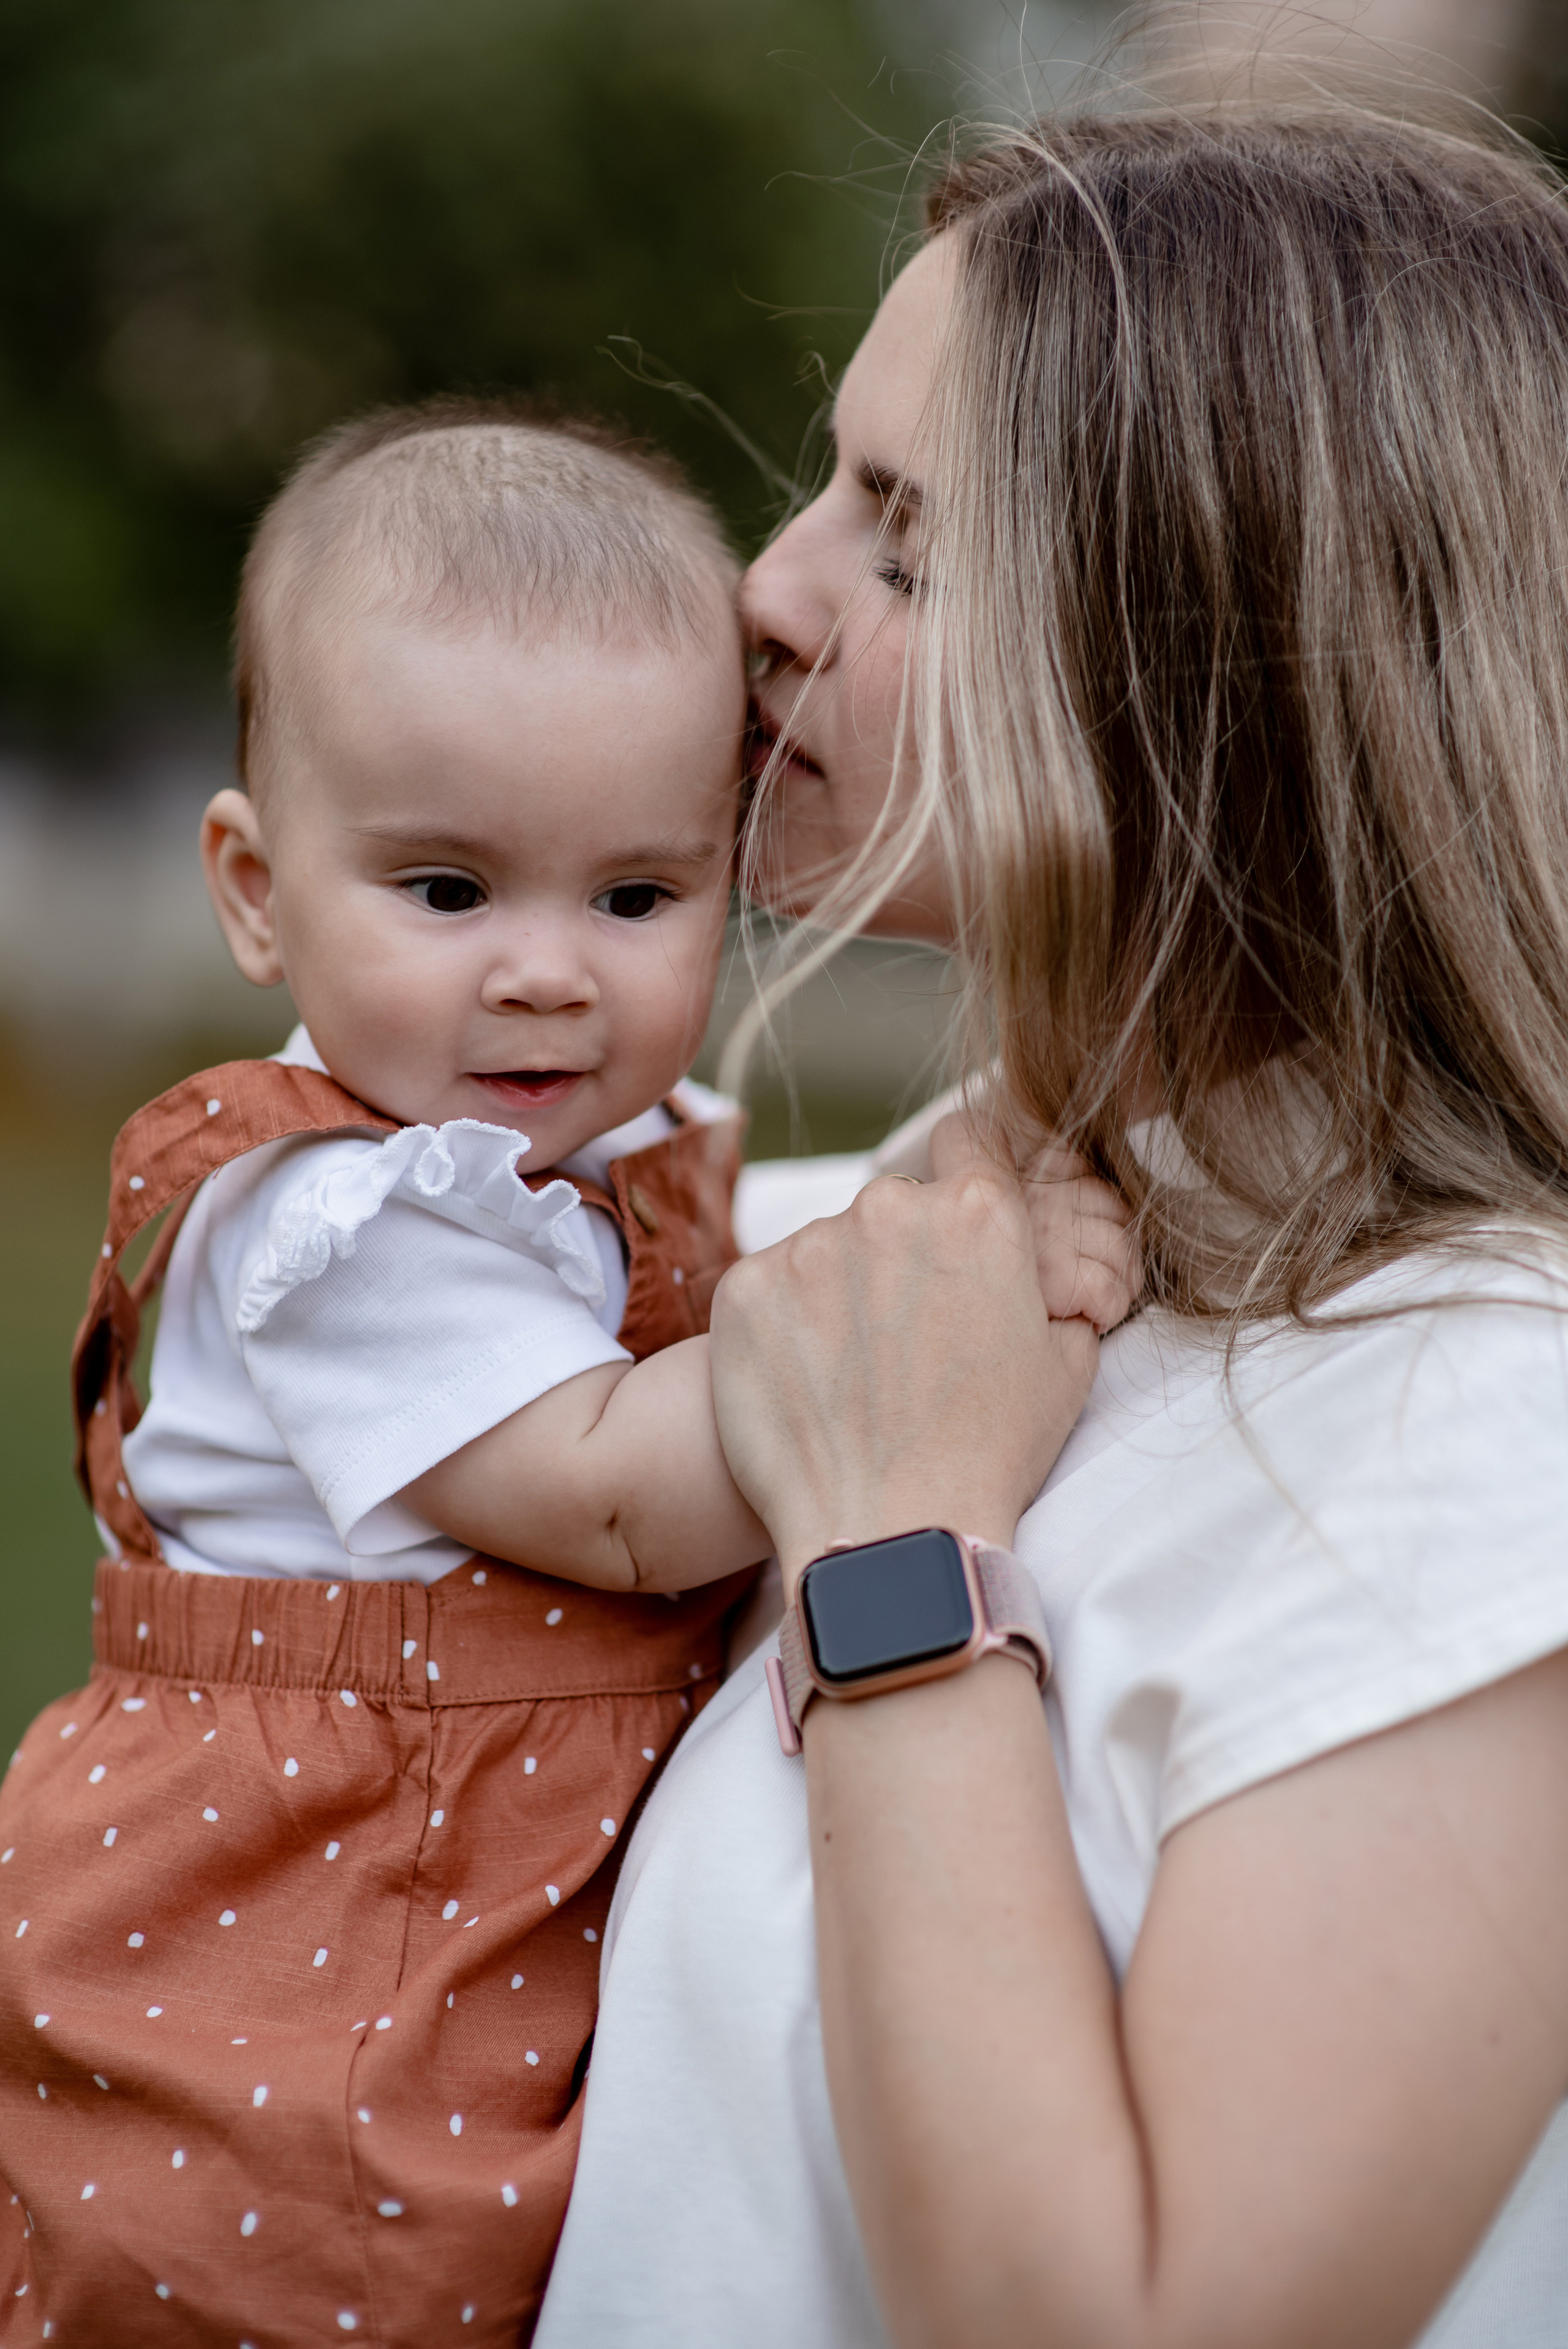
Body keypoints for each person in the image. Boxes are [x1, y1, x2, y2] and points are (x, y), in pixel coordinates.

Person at [535, 104, 1568, 2349]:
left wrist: (898, 1542)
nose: (765, 591)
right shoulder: (853, 1251)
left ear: (1247, 684)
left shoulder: (1485, 1435)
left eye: (906, 552)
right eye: (829, 486)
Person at [0, 399, 1131, 2348]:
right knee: (343, 2278)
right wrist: (957, 1264)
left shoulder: (601, 1150)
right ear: (257, 888)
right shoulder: (343, 1223)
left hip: (479, 1874)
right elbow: (618, 1492)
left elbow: (733, 1290)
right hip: (318, 1937)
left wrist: (959, 1165)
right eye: (448, 892)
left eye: (634, 896)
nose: (549, 970)